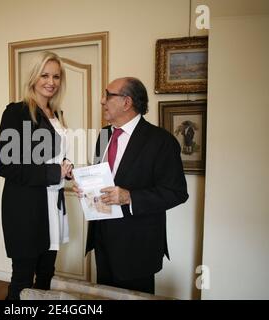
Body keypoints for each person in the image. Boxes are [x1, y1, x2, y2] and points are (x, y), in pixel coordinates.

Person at [73, 77, 188, 294]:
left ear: (127, 102)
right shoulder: (104, 135)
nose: (102, 100)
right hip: (102, 239)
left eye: (108, 95)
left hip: (138, 246)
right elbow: (102, 177)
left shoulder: (161, 141)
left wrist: (130, 197)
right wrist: (86, 188)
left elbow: (177, 193)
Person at [0, 51, 73, 300]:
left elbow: (54, 159)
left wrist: (67, 169)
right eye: (45, 75)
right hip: (26, 208)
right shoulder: (16, 112)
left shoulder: (57, 114)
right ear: (33, 78)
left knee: (46, 275)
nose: (51, 82)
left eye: (56, 76)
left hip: (54, 207)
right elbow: (4, 165)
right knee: (22, 281)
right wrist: (53, 171)